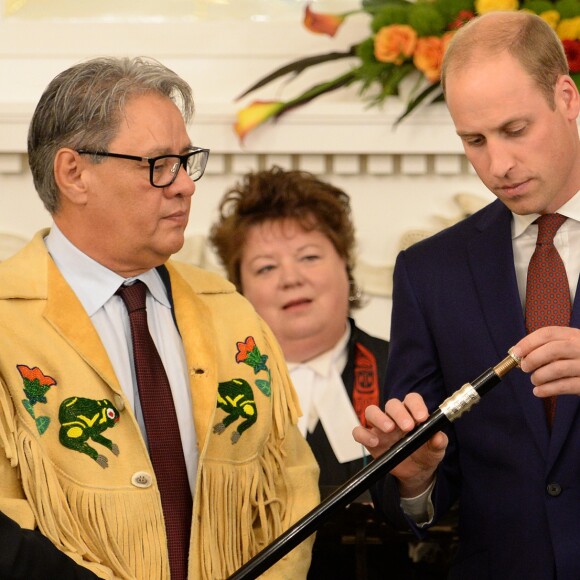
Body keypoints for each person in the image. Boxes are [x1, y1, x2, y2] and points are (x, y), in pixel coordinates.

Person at [0, 57, 319, 579]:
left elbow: (291, 488)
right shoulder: (6, 324)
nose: (184, 186)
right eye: (158, 164)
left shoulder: (230, 311)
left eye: (185, 160)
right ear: (74, 173)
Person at [353, 10, 580, 580]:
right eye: (473, 140)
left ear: (567, 98)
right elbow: (427, 481)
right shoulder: (429, 272)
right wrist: (415, 475)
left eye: (515, 129)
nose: (497, 165)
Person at [209, 167, 451, 579]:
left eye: (309, 257)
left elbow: (449, 515)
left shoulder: (409, 371)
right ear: (240, 287)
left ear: (345, 266)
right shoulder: (212, 388)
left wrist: (416, 486)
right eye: (266, 268)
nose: (291, 278)